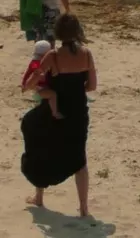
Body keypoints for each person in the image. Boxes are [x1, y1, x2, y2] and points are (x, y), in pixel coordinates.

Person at [21, 13, 96, 217]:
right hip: (78, 113)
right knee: (79, 159)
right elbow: (92, 86)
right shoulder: (87, 54)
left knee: (37, 140)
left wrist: (30, 85)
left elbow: (32, 82)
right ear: (78, 32)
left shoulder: (52, 56)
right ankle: (84, 207)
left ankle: (39, 196)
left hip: (55, 112)